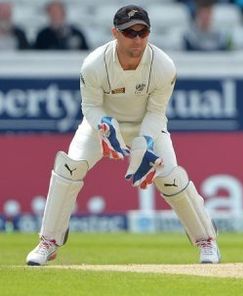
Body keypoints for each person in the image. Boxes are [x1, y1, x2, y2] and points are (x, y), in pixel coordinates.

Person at [26, 4, 221, 266]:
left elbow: (156, 112)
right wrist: (104, 126)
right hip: (103, 124)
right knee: (69, 168)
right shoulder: (94, 64)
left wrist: (145, 143)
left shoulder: (163, 66)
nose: (137, 40)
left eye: (143, 32)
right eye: (130, 33)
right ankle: (48, 241)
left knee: (171, 179)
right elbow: (90, 107)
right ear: (115, 33)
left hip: (146, 126)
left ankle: (206, 241)